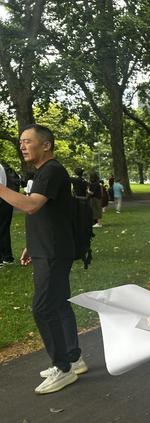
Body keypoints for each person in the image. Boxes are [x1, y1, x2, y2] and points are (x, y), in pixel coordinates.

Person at [0, 124, 88, 394]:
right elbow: (46, 213)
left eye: (28, 141)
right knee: (59, 304)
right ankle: (74, 357)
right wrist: (31, 244)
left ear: (46, 145)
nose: (22, 145)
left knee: (43, 308)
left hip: (52, 252)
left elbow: (30, 205)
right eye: (21, 142)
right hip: (46, 248)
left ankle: (62, 368)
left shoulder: (51, 170)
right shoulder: (43, 173)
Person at [0, 163, 18, 265]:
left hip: (2, 201)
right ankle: (7, 257)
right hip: (5, 201)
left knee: (2, 229)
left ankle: (4, 258)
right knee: (3, 229)